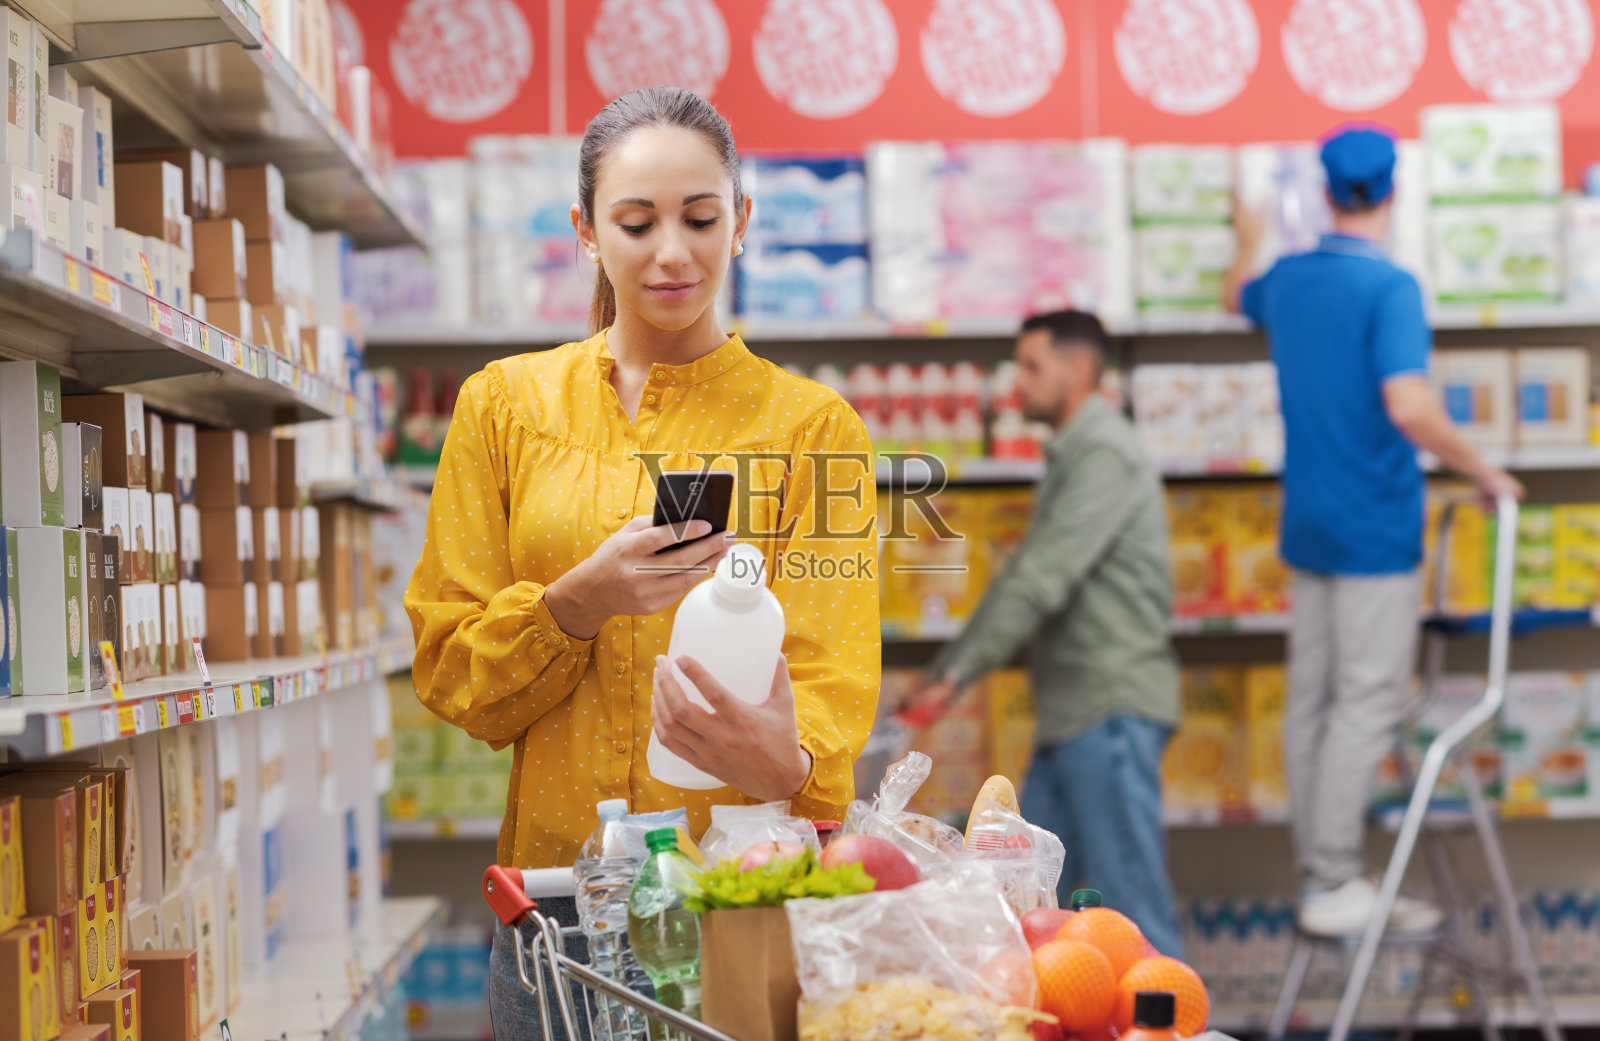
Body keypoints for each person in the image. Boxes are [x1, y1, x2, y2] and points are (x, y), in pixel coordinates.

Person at [404, 87, 880, 1038]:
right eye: (636, 221)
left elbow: (830, 689)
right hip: (553, 918)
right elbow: (454, 675)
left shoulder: (814, 431)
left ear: (739, 222)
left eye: (701, 218)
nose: (673, 252)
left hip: (736, 905)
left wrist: (786, 758)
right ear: (586, 229)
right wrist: (575, 604)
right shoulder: (504, 408)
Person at [1222, 125, 1524, 938]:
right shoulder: (1391, 288)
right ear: (1393, 193)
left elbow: (1233, 294)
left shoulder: (1286, 279)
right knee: (1366, 700)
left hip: (1309, 523)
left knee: (1312, 700)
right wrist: (1485, 471)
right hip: (1374, 528)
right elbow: (1409, 405)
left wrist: (1248, 239)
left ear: (1326, 193)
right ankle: (1332, 879)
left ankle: (1316, 871)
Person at [909, 309, 1184, 956]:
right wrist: (951, 669)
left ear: (1079, 368)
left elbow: (1039, 578)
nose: (1017, 384)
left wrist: (952, 674)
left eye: (1032, 366)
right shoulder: (1076, 453)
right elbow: (1031, 578)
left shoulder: (1104, 452)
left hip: (1108, 709)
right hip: (1073, 713)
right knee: (1018, 904)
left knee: (1132, 907)